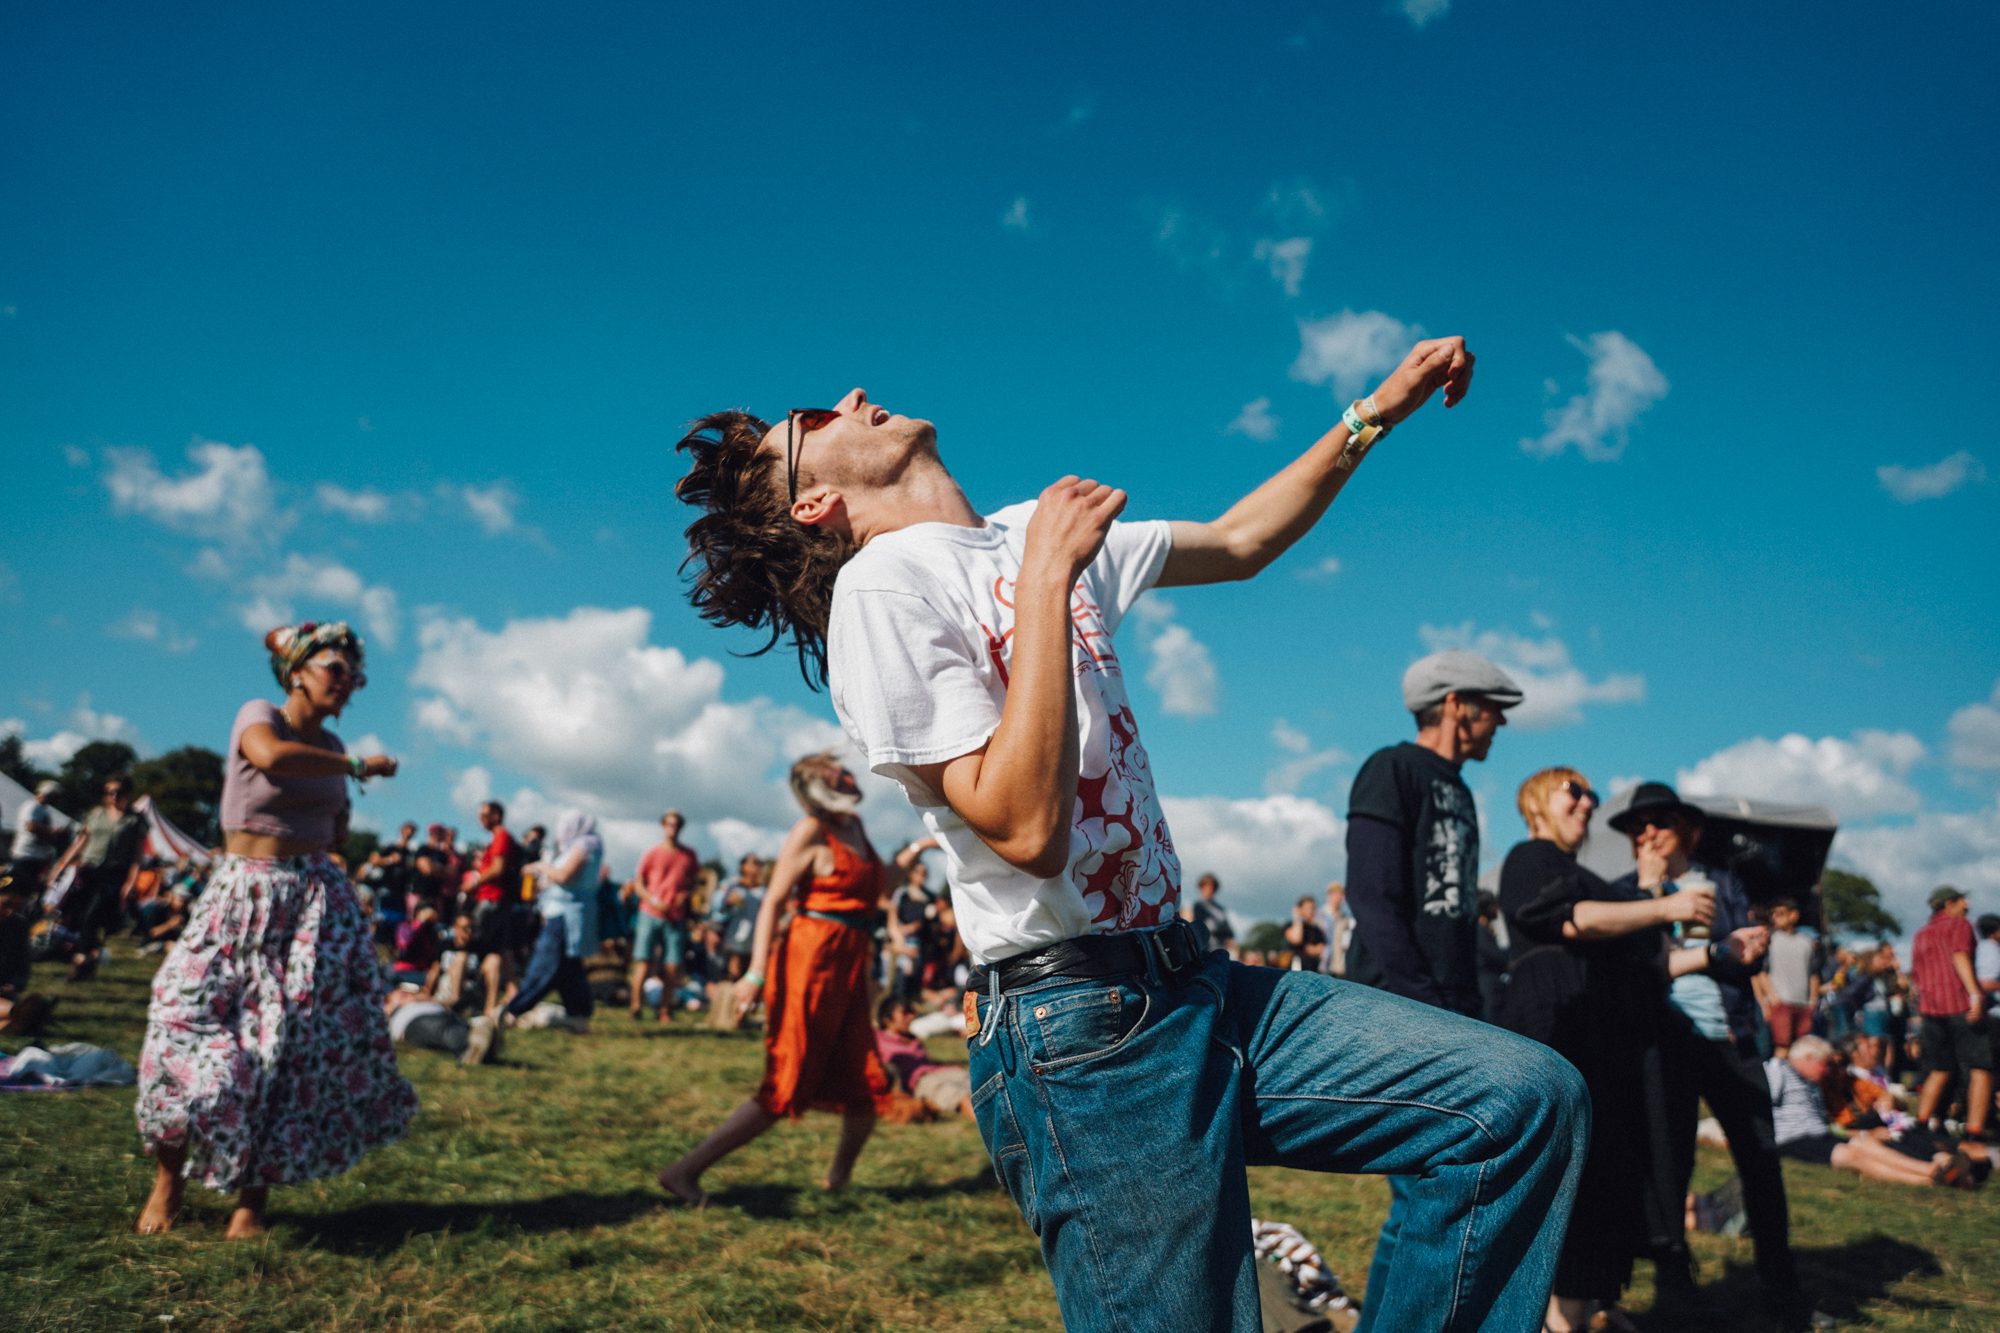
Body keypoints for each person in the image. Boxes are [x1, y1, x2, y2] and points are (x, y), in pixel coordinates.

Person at [673, 345, 1588, 1333]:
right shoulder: (882, 588)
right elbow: (1023, 827)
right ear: (816, 505)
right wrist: (1044, 579)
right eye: (818, 417)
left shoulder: (1024, 530)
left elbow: (1239, 539)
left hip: (1197, 983)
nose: (851, 395)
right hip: (1082, 1035)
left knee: (1517, 1103)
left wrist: (1376, 412)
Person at [134, 620, 416, 1239]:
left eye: (355, 675)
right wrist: (356, 765)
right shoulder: (261, 715)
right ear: (297, 673)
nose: (347, 682)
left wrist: (340, 804)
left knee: (286, 1050)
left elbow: (334, 830)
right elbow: (267, 756)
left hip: (311, 902)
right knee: (180, 1022)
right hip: (239, 892)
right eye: (335, 669)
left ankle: (251, 1203)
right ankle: (169, 1178)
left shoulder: (334, 745)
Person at [1499, 768, 1759, 1333]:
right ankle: (1550, 1315)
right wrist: (1665, 906)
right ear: (1538, 801)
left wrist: (1721, 952)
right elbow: (1571, 920)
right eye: (1575, 790)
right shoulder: (1530, 858)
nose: (1589, 802)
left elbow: (1652, 961)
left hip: (1608, 1045)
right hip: (1555, 1032)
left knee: (1605, 1179)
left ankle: (1587, 1307)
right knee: (1561, 1177)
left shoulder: (1593, 877)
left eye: (1592, 793)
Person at [1341, 648, 1522, 1329]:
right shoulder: (1392, 768)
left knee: (1424, 1195)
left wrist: (1469, 1007)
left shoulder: (1464, 790)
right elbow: (1373, 897)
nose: (1498, 725)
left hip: (1454, 1007)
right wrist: (1423, 1005)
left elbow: (1454, 917)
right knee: (1430, 1194)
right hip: (1403, 1006)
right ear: (1455, 705)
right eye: (1491, 710)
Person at [1603, 781, 1820, 1326]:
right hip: (1663, 1047)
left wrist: (1747, 951)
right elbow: (1632, 965)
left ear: (1687, 830)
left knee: (1759, 1159)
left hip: (1730, 1039)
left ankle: (1781, 1288)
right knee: (1668, 1165)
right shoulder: (1623, 891)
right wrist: (1689, 933)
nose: (1647, 834)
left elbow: (1744, 959)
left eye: (1660, 822)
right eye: (1638, 826)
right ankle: (1677, 1291)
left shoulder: (1721, 883)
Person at [660, 754, 889, 1202]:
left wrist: (920, 851)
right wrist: (755, 973)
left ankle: (837, 1182)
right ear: (820, 786)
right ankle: (683, 1172)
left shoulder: (856, 826)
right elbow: (773, 901)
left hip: (849, 964)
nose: (851, 775)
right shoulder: (810, 831)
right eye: (838, 773)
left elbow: (872, 886)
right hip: (811, 961)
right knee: (787, 1079)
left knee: (866, 1079)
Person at [1768, 1035, 1972, 1187]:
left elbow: (1827, 1124)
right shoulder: (1779, 1070)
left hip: (1822, 1135)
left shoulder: (1811, 1085)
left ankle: (1935, 1170)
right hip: (1794, 1139)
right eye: (1825, 1064)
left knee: (1865, 1143)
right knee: (1851, 1154)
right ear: (1808, 1058)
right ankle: (1928, 1178)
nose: (1828, 1070)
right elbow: (1755, 1102)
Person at [1910, 886, 1990, 1156]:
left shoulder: (1920, 934)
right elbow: (1959, 956)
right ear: (1948, 904)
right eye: (1961, 900)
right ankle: (1974, 1131)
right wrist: (1975, 995)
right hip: (1960, 1004)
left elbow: (1917, 975)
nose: (1967, 904)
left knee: (1940, 1068)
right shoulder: (1960, 925)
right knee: (1981, 1067)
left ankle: (1922, 1124)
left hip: (1930, 1008)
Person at [505, 810, 603, 1032]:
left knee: (545, 963)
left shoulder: (583, 846)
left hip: (566, 916)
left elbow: (565, 876)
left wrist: (539, 866)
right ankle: (579, 1016)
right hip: (568, 912)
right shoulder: (583, 846)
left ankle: (512, 1011)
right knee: (570, 968)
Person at [49, 774, 148, 981]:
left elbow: (138, 855)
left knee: (93, 915)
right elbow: (80, 841)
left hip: (114, 873)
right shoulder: (96, 814)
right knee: (79, 916)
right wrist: (60, 866)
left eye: (117, 792)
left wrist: (131, 882)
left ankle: (80, 960)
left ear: (128, 794)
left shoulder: (136, 819)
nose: (112, 796)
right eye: (108, 792)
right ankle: (89, 957)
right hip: (88, 870)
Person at [629, 810, 698, 1022]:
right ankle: (636, 1006)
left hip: (675, 917)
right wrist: (652, 900)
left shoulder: (688, 855)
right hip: (650, 913)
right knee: (643, 962)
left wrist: (684, 895)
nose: (672, 828)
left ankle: (664, 1010)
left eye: (676, 824)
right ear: (663, 826)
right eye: (669, 824)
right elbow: (638, 884)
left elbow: (694, 881)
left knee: (672, 965)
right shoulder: (651, 853)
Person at [876, 993, 974, 1118]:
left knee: (980, 1086)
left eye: (911, 1012)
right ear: (887, 1018)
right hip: (919, 1081)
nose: (911, 1016)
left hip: (941, 1071)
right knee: (961, 1097)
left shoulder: (912, 1038)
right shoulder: (878, 1038)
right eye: (905, 1012)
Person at [1756, 898, 1819, 1057]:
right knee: (1782, 1048)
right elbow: (1761, 972)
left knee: (1800, 1051)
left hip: (1804, 1004)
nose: (1776, 917)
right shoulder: (1770, 940)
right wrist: (1772, 998)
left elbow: (1813, 974)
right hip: (1781, 1002)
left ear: (1794, 915)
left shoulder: (1807, 942)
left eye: (1781, 913)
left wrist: (1813, 1001)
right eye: (1774, 914)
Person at [383, 986, 501, 1066]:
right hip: (413, 1021)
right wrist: (395, 1003)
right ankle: (469, 1048)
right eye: (402, 994)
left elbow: (448, 1005)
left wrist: (426, 999)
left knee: (458, 1026)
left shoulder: (422, 1000)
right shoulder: (389, 1007)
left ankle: (484, 1047)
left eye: (407, 993)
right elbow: (382, 1013)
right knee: (443, 1030)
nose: (407, 995)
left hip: (443, 1015)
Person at [10, 778, 65, 898]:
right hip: (25, 855)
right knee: (16, 890)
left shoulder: (44, 810)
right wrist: (52, 831)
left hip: (36, 856)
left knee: (25, 891)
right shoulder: (32, 806)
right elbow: (31, 826)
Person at [1181, 872, 1235, 958]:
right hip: (1207, 947)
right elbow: (1200, 925)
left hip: (1221, 947)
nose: (1210, 889)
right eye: (1206, 886)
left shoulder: (1220, 908)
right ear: (1201, 888)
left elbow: (1229, 930)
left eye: (1212, 887)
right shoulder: (1199, 905)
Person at [1317, 881, 1354, 978]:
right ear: (1329, 895)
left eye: (1341, 894)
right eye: (1336, 893)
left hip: (1338, 967)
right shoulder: (1318, 915)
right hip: (1320, 965)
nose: (1339, 897)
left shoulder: (1345, 918)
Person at [1283, 894, 1326, 971]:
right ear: (1300, 908)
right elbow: (1296, 939)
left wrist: (1308, 949)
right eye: (1307, 908)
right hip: (1296, 966)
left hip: (1313, 968)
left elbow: (1320, 949)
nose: (1310, 911)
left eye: (1313, 908)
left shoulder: (1316, 929)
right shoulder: (1291, 925)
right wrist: (1297, 918)